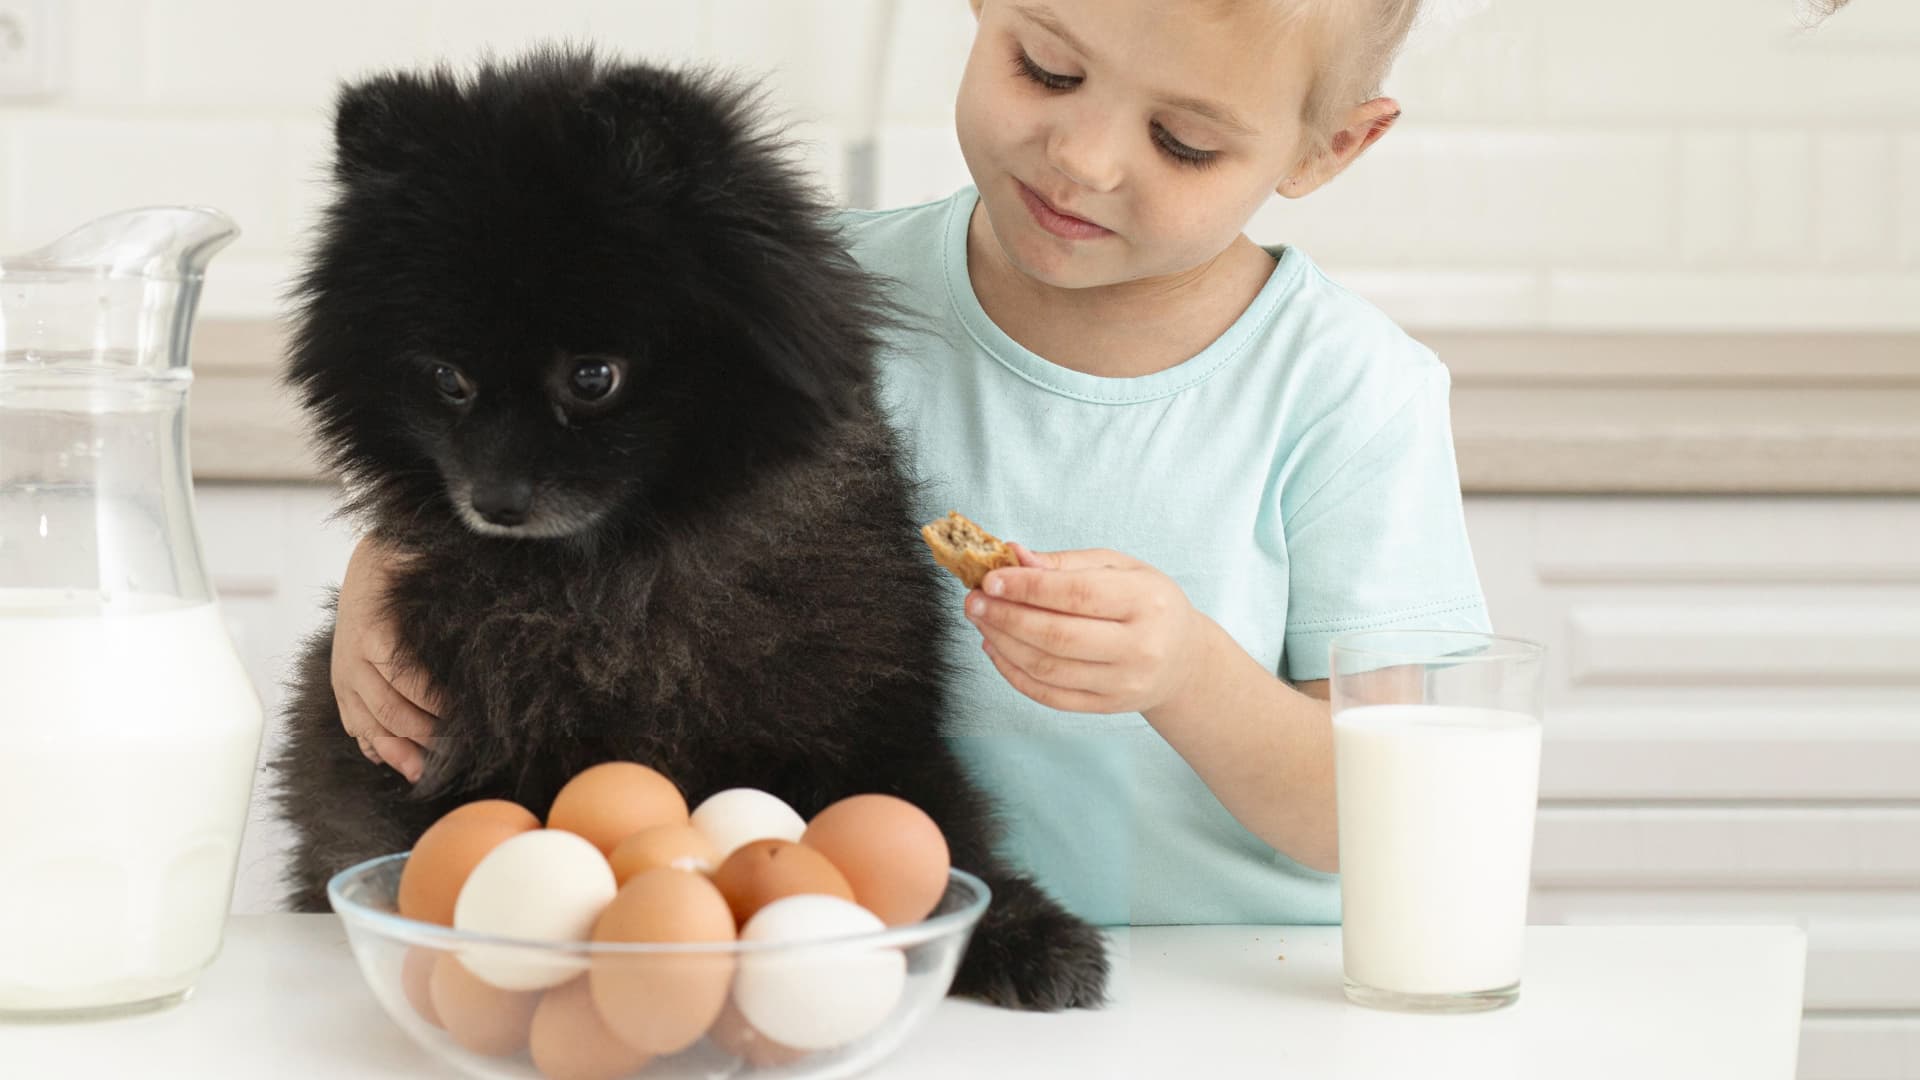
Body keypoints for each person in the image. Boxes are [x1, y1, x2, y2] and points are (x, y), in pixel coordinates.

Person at [327, 0, 1492, 925]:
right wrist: (397, 561)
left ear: (1333, 146)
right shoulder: (811, 300)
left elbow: (1391, 817)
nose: (1083, 157)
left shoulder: (1348, 395)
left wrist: (1187, 673)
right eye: (1048, 70)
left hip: (1234, 1003)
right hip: (866, 973)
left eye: (1182, 141)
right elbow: (570, 480)